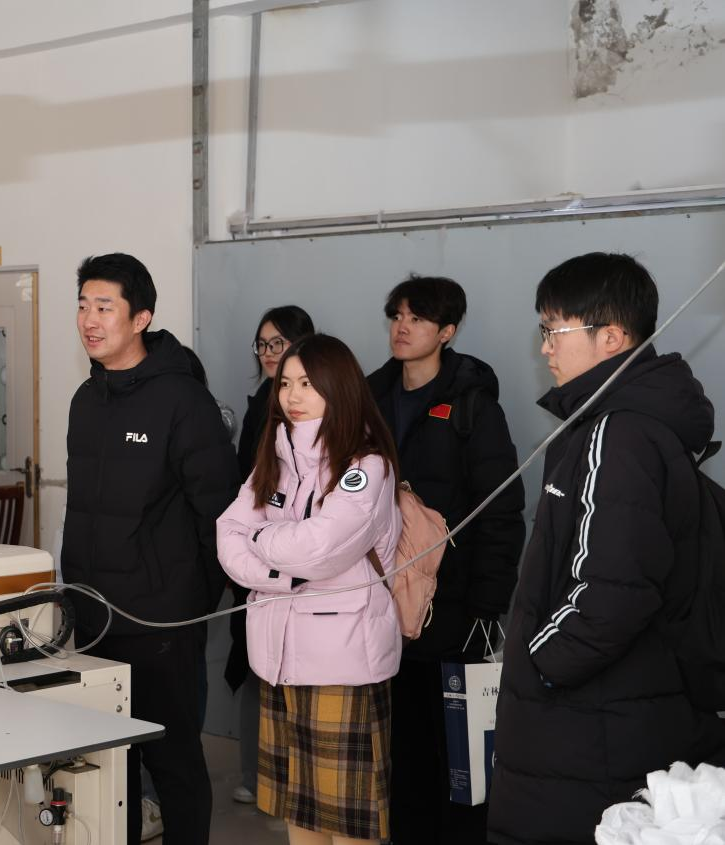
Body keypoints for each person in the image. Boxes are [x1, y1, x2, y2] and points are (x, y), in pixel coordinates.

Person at [488, 253, 725, 845]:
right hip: (619, 711)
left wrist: (540, 664)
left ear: (612, 337)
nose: (545, 347)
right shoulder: (621, 424)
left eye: (554, 330)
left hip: (589, 724)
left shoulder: (616, 432)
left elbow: (612, 592)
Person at [62, 252, 240, 845]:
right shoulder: (86, 400)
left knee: (174, 761)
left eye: (104, 307)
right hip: (93, 617)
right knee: (112, 765)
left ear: (141, 318)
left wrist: (187, 604)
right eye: (83, 306)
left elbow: (220, 513)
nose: (89, 320)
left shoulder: (182, 401)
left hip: (160, 622)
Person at [217, 333, 403, 845]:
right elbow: (227, 535)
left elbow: (320, 548)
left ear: (339, 388)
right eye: (286, 384)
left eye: (307, 384)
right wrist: (282, 572)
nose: (292, 396)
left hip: (341, 663)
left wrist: (262, 540)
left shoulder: (365, 465)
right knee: (297, 812)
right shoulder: (275, 456)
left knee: (348, 822)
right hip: (279, 659)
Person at [365, 275, 525, 843]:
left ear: (448, 331)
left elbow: (502, 511)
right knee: (399, 748)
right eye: (397, 316)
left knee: (457, 753)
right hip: (381, 604)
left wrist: (487, 605)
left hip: (453, 608)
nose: (402, 327)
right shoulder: (370, 398)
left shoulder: (472, 405)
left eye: (417, 318)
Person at [228, 304, 315, 807]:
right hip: (260, 572)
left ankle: (287, 787)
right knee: (254, 668)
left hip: (308, 583)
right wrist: (252, 552)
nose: (267, 353)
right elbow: (237, 512)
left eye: (278, 343)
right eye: (262, 344)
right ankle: (259, 777)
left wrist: (264, 545)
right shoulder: (260, 405)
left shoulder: (340, 430)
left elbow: (322, 535)